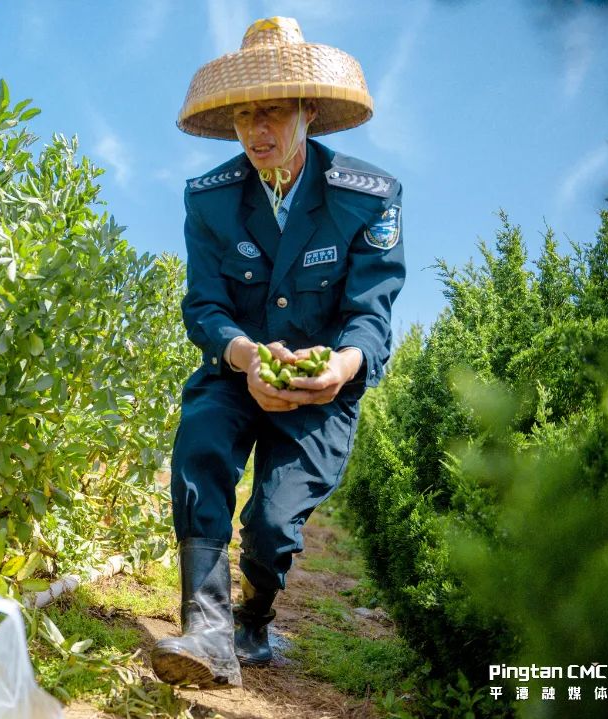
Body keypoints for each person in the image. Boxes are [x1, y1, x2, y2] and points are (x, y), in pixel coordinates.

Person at [150, 17, 406, 688]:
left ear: (308, 110)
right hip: (236, 371)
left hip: (325, 386)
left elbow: (370, 315)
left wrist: (339, 369)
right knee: (200, 444)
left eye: (272, 112)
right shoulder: (209, 199)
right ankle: (204, 628)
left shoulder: (368, 198)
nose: (257, 131)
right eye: (243, 116)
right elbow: (204, 305)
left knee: (271, 520)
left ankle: (253, 615)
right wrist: (244, 356)